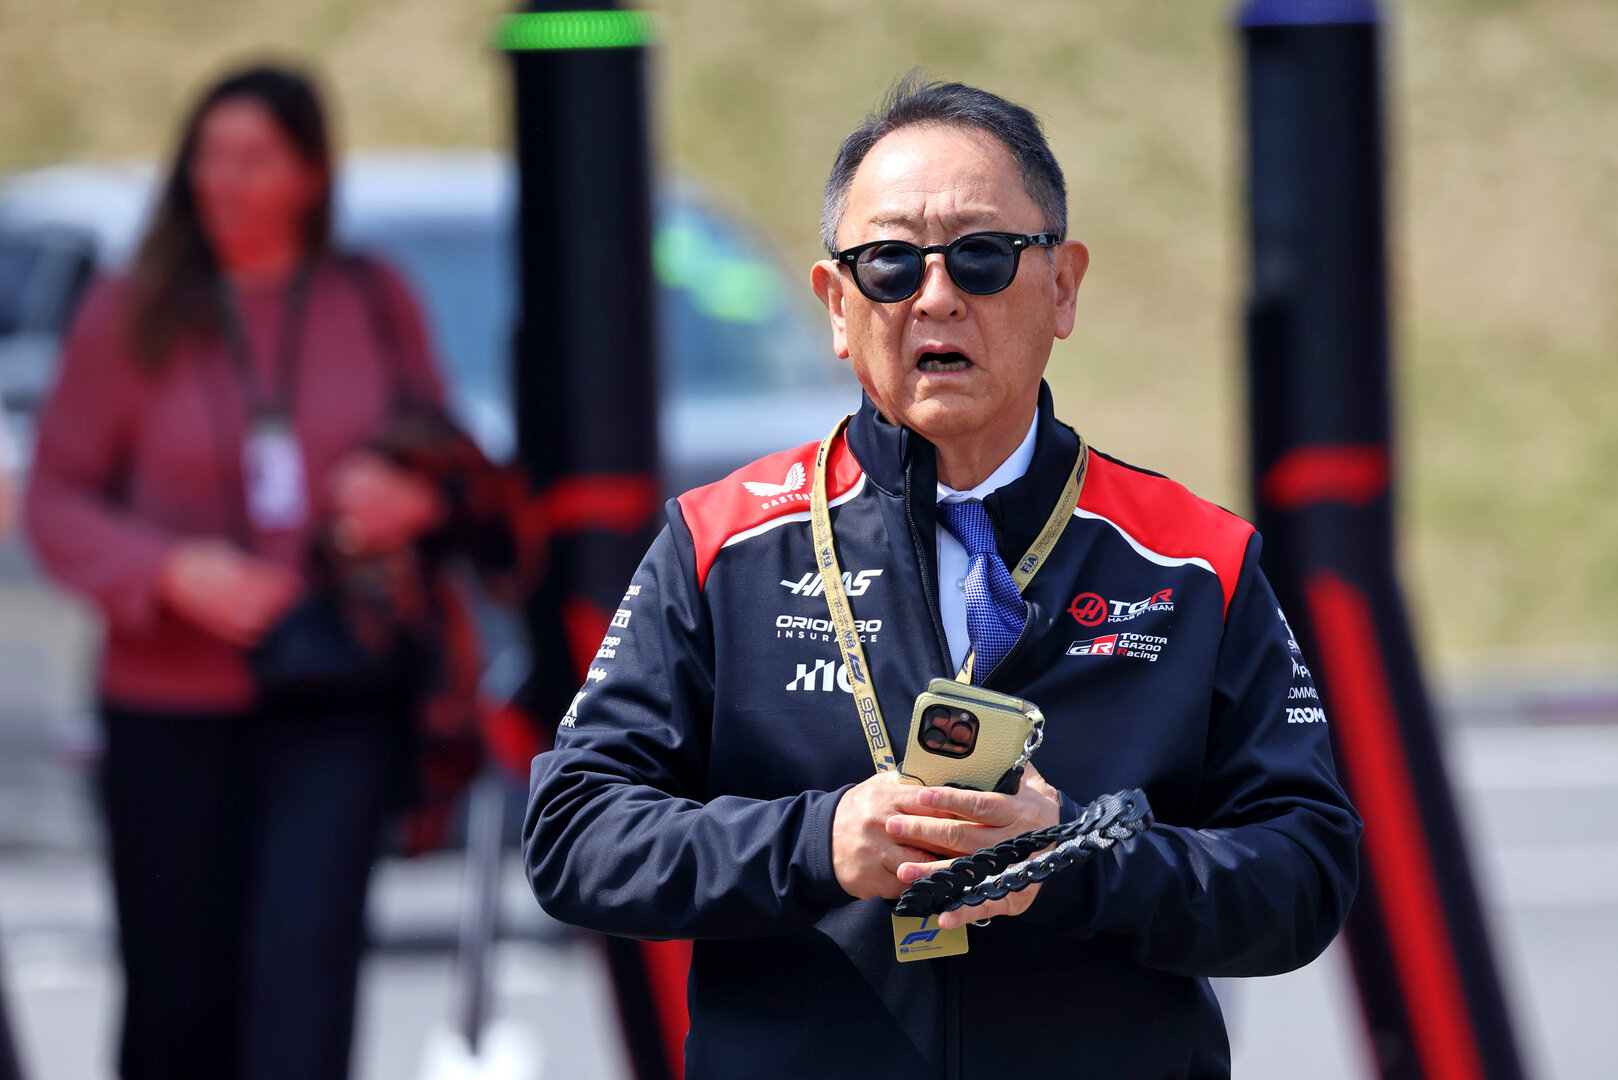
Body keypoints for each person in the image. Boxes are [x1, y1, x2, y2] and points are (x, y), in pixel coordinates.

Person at [524, 75, 1361, 1078]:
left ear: (1061, 287)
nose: (933, 295)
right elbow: (576, 835)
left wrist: (1079, 862)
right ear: (835, 306)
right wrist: (821, 842)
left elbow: (1305, 874)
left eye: (981, 255)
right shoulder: (718, 545)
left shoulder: (1193, 558)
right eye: (887, 263)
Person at [26, 64, 458, 1080]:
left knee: (303, 987)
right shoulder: (130, 311)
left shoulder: (369, 298)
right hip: (168, 704)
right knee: (178, 998)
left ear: (309, 172)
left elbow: (448, 464)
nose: (225, 180)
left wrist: (408, 496)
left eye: (253, 158)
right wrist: (169, 571)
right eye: (209, 156)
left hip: (336, 689)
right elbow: (55, 501)